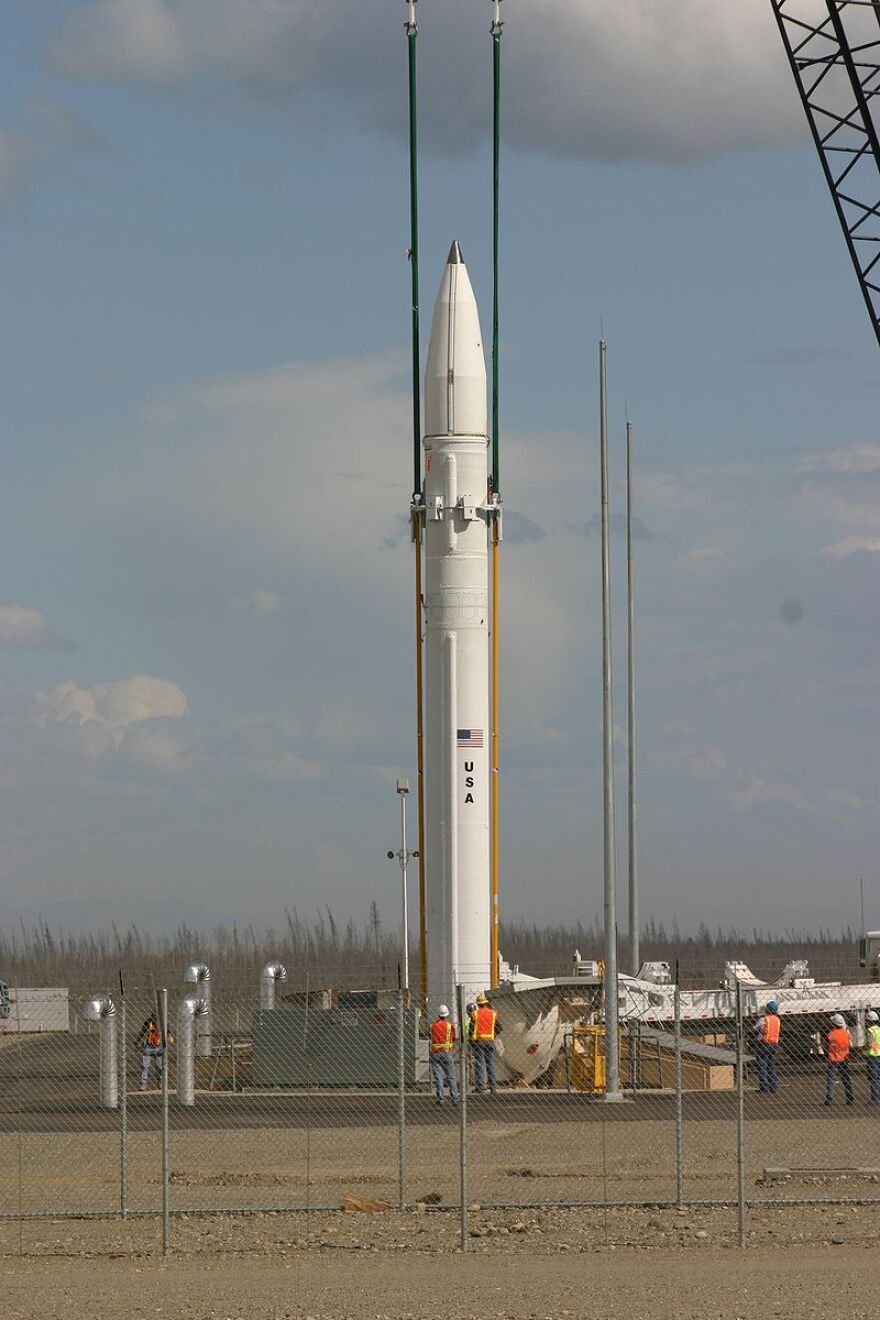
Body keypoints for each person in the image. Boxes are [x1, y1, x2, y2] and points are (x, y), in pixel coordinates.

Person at [471, 992, 501, 1094]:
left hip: (479, 1041)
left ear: (478, 1004)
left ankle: (480, 1087)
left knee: (479, 1063)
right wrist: (493, 1035)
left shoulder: (475, 1014)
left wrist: (472, 1041)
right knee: (490, 1063)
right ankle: (493, 1087)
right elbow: (499, 1027)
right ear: (486, 1003)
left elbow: (471, 1029)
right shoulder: (493, 1013)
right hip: (490, 1041)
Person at [429, 1005, 459, 1105]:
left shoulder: (432, 1025)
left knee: (438, 1077)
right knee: (450, 1076)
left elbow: (429, 1036)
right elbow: (454, 1038)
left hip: (435, 1053)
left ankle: (440, 1099)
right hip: (446, 1053)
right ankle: (455, 1098)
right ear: (447, 1015)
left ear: (438, 1014)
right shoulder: (450, 1026)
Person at [824, 1013, 854, 1106]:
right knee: (846, 1078)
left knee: (831, 1079)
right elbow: (849, 1044)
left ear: (833, 1024)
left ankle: (830, 1097)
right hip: (844, 1058)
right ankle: (849, 1096)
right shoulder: (846, 1033)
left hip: (833, 1059)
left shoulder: (831, 1034)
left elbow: (827, 1043)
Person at [753, 1000, 781, 1094]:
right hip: (774, 1044)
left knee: (763, 1066)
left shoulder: (764, 1019)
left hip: (764, 1044)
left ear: (767, 1009)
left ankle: (764, 1087)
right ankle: (773, 1087)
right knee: (772, 1066)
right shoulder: (777, 1019)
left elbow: (755, 1029)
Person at [138, 1013, 164, 1090]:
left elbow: (168, 1032)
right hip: (148, 1047)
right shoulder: (148, 1022)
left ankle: (160, 1081)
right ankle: (143, 1083)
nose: (154, 1019)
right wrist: (137, 1041)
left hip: (158, 1047)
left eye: (156, 1017)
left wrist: (170, 1039)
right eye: (153, 1016)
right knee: (144, 1066)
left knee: (159, 1066)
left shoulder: (163, 1022)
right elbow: (142, 1032)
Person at [864, 1010, 880, 1104]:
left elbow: (869, 1044)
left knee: (873, 1077)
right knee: (878, 1077)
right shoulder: (878, 1029)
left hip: (873, 1056)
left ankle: (875, 1098)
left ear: (869, 1021)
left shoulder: (870, 1031)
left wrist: (861, 1048)